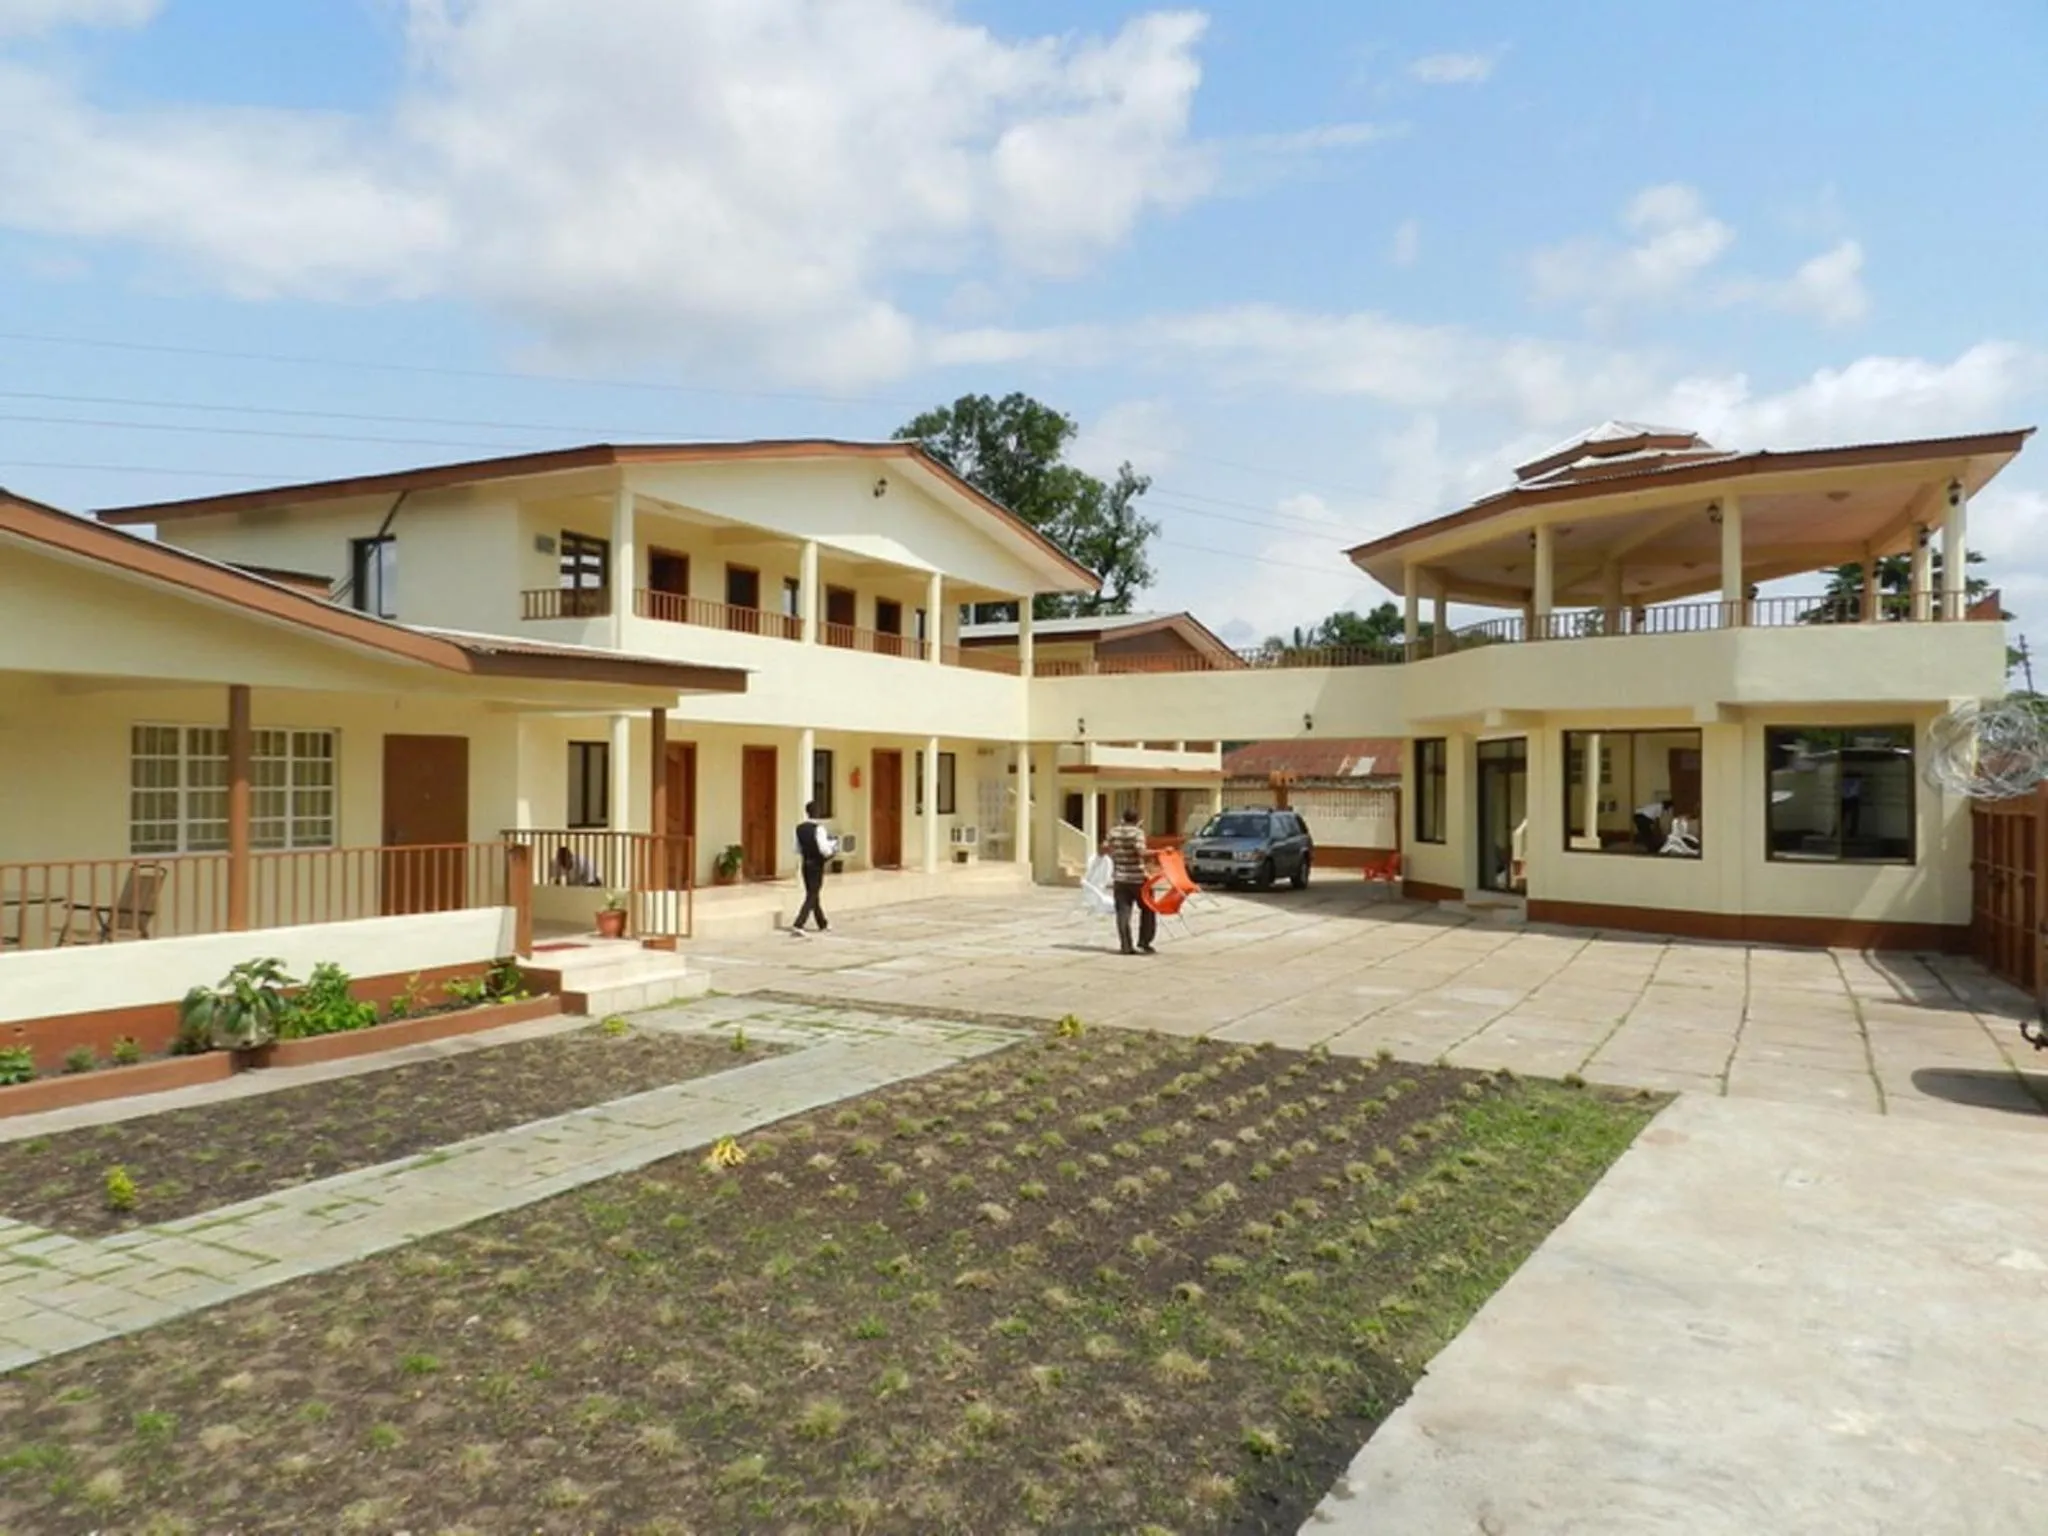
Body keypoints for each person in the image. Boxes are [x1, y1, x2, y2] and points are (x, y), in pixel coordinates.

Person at [1104, 806, 1156, 956]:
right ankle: (1144, 942)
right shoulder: (1138, 833)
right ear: (1138, 820)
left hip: (1120, 878)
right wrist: (1158, 853)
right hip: (1138, 879)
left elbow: (1105, 848)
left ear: (1123, 818)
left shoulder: (1113, 832)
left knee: (1123, 913)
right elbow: (1141, 851)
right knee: (1148, 909)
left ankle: (1126, 946)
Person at [791, 800, 837, 936]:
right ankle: (799, 923)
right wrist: (832, 850)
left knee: (813, 893)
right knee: (812, 894)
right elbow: (824, 849)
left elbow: (796, 849)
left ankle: (822, 923)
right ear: (817, 812)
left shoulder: (799, 828)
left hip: (805, 863)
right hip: (816, 864)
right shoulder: (819, 829)